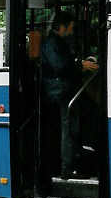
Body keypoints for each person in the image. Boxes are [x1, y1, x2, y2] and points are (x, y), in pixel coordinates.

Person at [40, 11, 98, 179]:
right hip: (59, 92)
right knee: (69, 129)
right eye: (70, 28)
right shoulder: (51, 43)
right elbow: (60, 66)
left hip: (64, 90)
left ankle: (78, 158)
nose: (72, 32)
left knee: (77, 124)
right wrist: (80, 65)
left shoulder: (59, 42)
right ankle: (68, 167)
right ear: (62, 27)